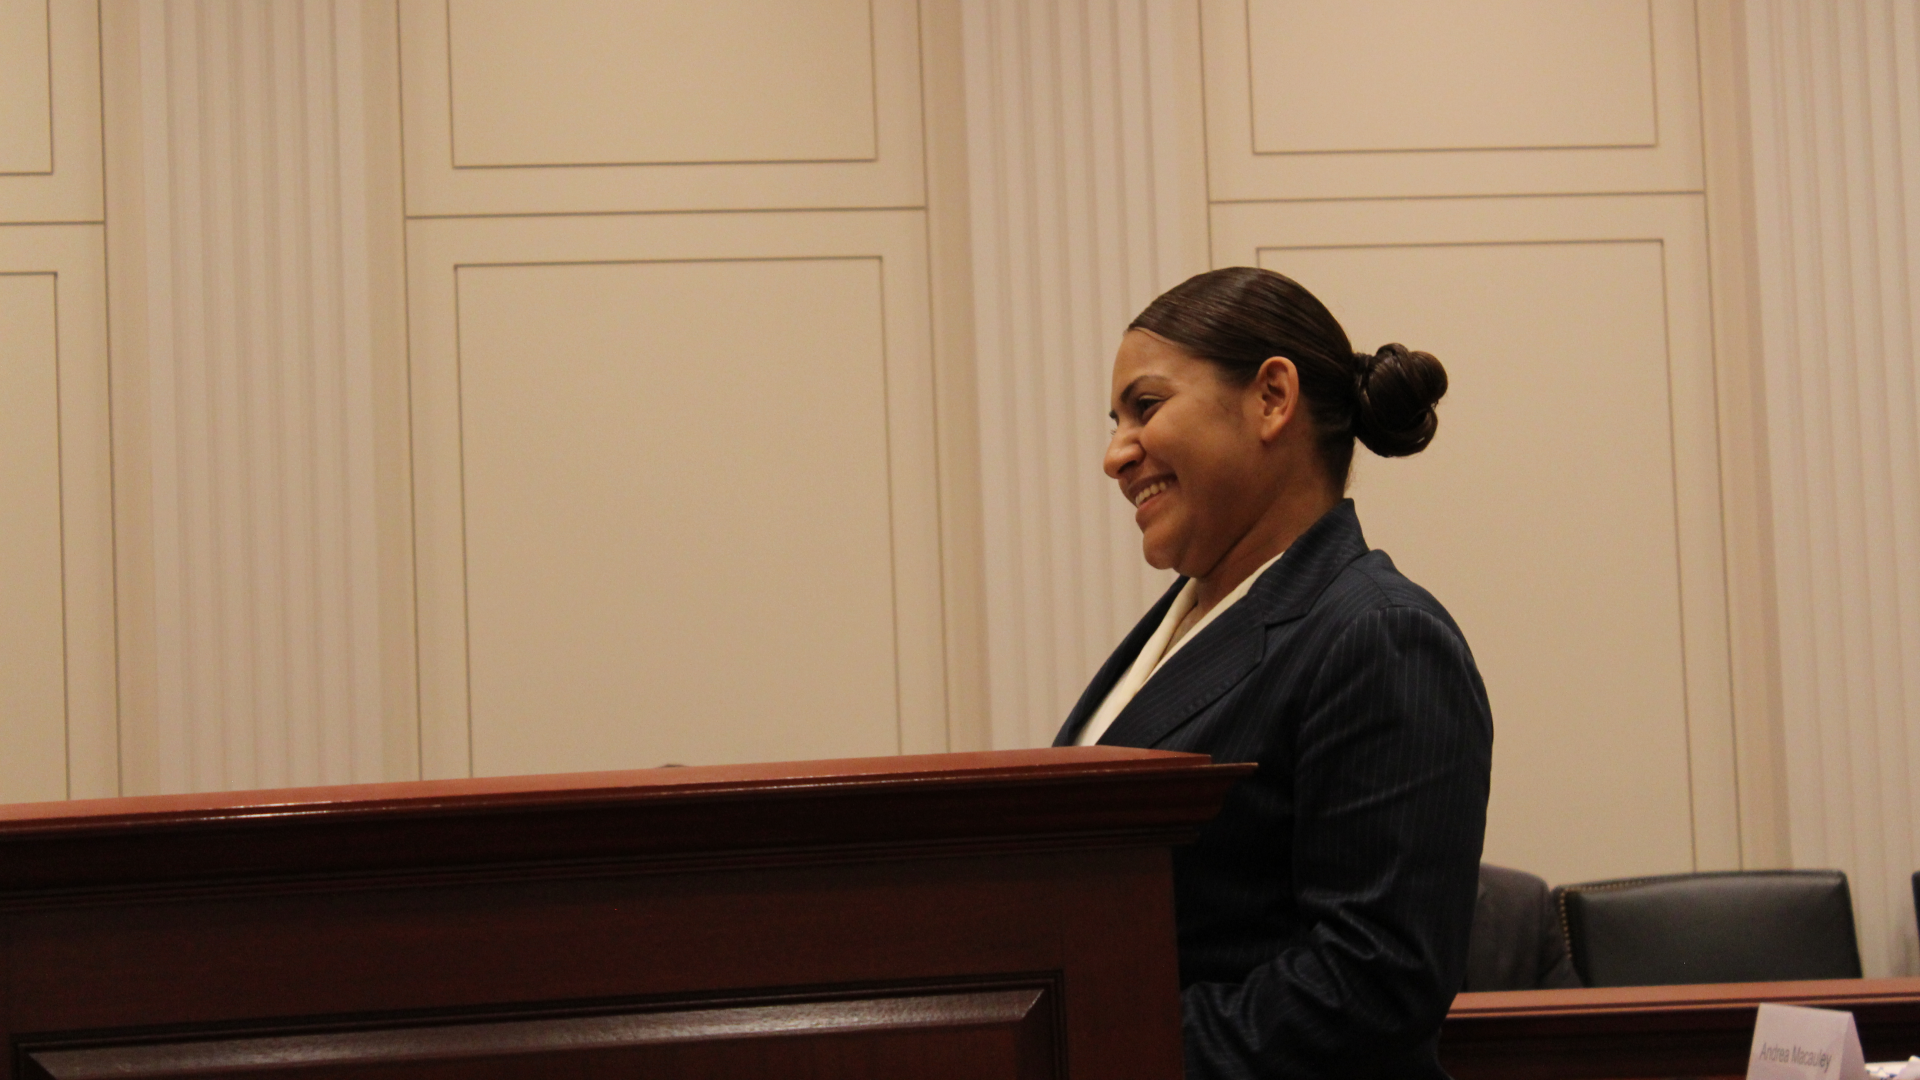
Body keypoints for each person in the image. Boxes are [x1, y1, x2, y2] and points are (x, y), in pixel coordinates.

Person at [1053, 267, 1493, 1079]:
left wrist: (1100, 1049)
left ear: (1271, 398)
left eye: (1145, 407)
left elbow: (1374, 983)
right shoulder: (1187, 621)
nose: (1115, 454)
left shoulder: (1382, 635)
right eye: (1115, 420)